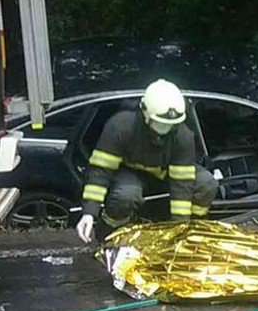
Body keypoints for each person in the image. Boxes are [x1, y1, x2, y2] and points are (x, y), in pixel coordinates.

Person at [75, 79, 218, 243]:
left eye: (170, 125)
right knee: (126, 195)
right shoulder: (120, 127)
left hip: (164, 174)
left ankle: (194, 229)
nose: (165, 129)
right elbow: (101, 171)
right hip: (129, 173)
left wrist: (180, 228)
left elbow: (182, 185)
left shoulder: (183, 136)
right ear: (145, 114)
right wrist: (89, 212)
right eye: (160, 123)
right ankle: (111, 233)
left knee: (206, 183)